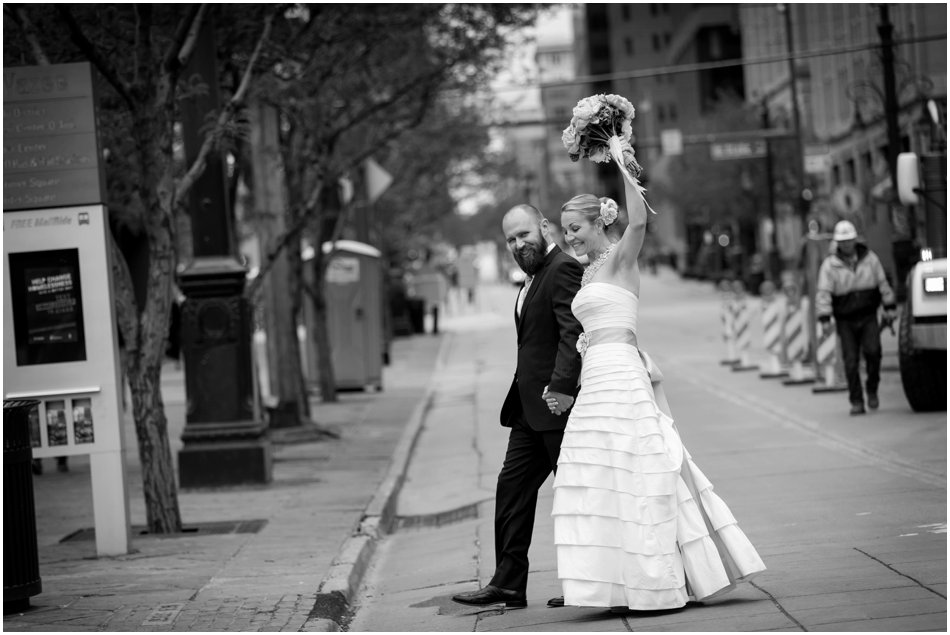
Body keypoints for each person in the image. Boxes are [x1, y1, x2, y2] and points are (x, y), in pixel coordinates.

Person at [550, 157, 765, 611]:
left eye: (575, 228)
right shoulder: (587, 272)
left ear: (599, 222)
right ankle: (615, 583)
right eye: (564, 230)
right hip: (597, 376)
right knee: (598, 474)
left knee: (640, 469)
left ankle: (660, 577)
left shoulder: (621, 257)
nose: (569, 238)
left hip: (622, 372)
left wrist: (619, 153)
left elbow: (641, 217)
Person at [451, 204, 584, 609]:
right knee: (511, 491)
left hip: (557, 407)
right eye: (511, 239)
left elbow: (572, 331)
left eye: (524, 234)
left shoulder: (561, 268)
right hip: (528, 411)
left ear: (544, 227)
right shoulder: (531, 277)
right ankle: (508, 583)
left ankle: (587, 582)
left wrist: (562, 388)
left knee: (575, 496)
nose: (518, 243)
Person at [816, 220, 897, 415]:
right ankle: (857, 401)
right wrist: (825, 318)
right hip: (845, 319)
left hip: (868, 315)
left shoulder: (870, 259)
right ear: (837, 243)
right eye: (842, 241)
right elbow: (824, 293)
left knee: (873, 352)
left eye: (849, 240)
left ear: (855, 240)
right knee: (850, 361)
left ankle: (872, 389)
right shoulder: (830, 265)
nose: (846, 244)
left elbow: (882, 283)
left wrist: (890, 306)